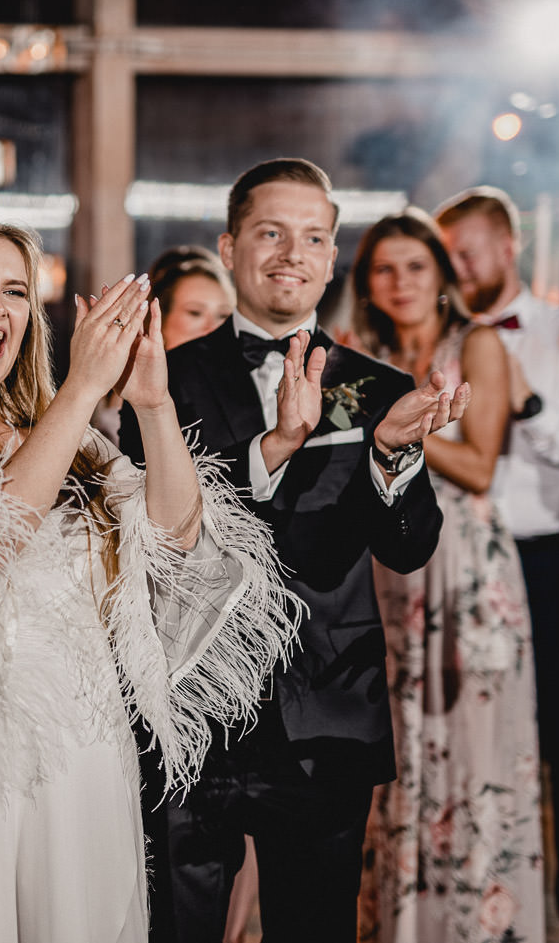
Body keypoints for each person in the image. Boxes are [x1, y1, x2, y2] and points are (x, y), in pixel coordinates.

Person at [0, 211, 301, 943]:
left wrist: (152, 404)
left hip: (87, 738)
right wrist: (80, 388)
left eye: (16, 291)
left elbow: (177, 536)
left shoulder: (71, 438)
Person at [123, 158, 469, 943]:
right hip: (192, 710)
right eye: (271, 233)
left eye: (313, 237)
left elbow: (410, 548)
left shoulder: (378, 387)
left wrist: (392, 454)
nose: (292, 253)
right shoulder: (165, 379)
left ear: (333, 256)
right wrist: (274, 446)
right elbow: (156, 532)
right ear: (230, 246)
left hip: (328, 714)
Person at [348, 209, 544, 943]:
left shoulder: (478, 343)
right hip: (386, 570)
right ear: (367, 283)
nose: (400, 282)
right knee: (396, 749)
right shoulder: (359, 352)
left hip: (465, 567)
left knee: (472, 745)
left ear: (441, 274)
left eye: (415, 266)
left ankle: (471, 927)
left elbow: (481, 464)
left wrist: (394, 434)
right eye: (384, 269)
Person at [435, 187, 559, 943]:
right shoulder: (435, 341)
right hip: (455, 562)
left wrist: (532, 404)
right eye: (447, 255)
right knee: (465, 736)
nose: (456, 266)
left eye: (466, 251)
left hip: (548, 562)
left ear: (508, 246)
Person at [90, 244, 234, 443]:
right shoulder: (130, 393)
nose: (213, 327)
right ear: (159, 319)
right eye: (195, 313)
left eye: (223, 315)